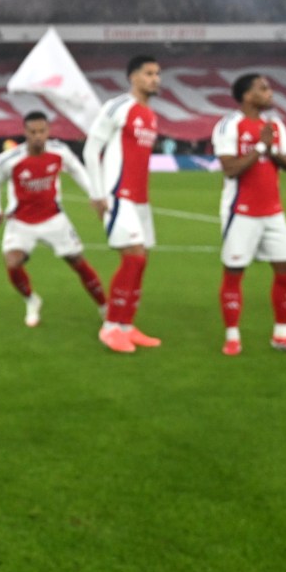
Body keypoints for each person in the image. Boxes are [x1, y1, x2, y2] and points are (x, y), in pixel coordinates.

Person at [212, 74, 286, 356]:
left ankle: (282, 333)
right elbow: (230, 168)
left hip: (273, 212)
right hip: (240, 211)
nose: (270, 93)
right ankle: (232, 336)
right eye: (263, 88)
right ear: (246, 96)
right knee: (234, 272)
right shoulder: (229, 125)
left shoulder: (275, 125)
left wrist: (270, 148)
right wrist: (259, 147)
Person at [0, 111, 107, 327]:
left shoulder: (59, 152)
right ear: (25, 133)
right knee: (12, 264)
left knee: (78, 262)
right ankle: (32, 301)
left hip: (54, 219)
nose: (38, 136)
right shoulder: (11, 160)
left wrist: (95, 195)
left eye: (42, 131)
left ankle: (105, 307)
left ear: (48, 131)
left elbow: (78, 171)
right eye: (33, 132)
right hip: (20, 221)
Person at [83, 55, 163, 353]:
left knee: (141, 261)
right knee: (133, 258)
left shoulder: (151, 115)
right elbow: (92, 150)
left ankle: (127, 325)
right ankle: (110, 326)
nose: (155, 79)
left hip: (141, 199)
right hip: (118, 195)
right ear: (133, 77)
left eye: (157, 74)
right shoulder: (118, 107)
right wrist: (98, 192)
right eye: (149, 74)